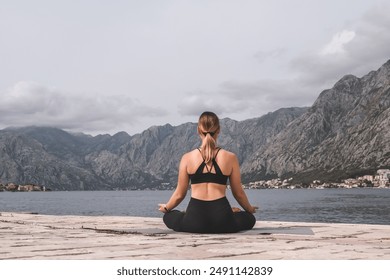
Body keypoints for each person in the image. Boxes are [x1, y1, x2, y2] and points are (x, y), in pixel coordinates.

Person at [158, 111, 257, 233]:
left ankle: (185, 213)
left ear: (198, 130)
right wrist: (249, 208)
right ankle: (231, 212)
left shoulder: (187, 158)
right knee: (249, 218)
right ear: (219, 130)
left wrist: (166, 207)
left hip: (194, 221)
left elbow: (179, 194)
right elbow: (239, 193)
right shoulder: (230, 157)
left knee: (169, 215)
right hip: (223, 221)